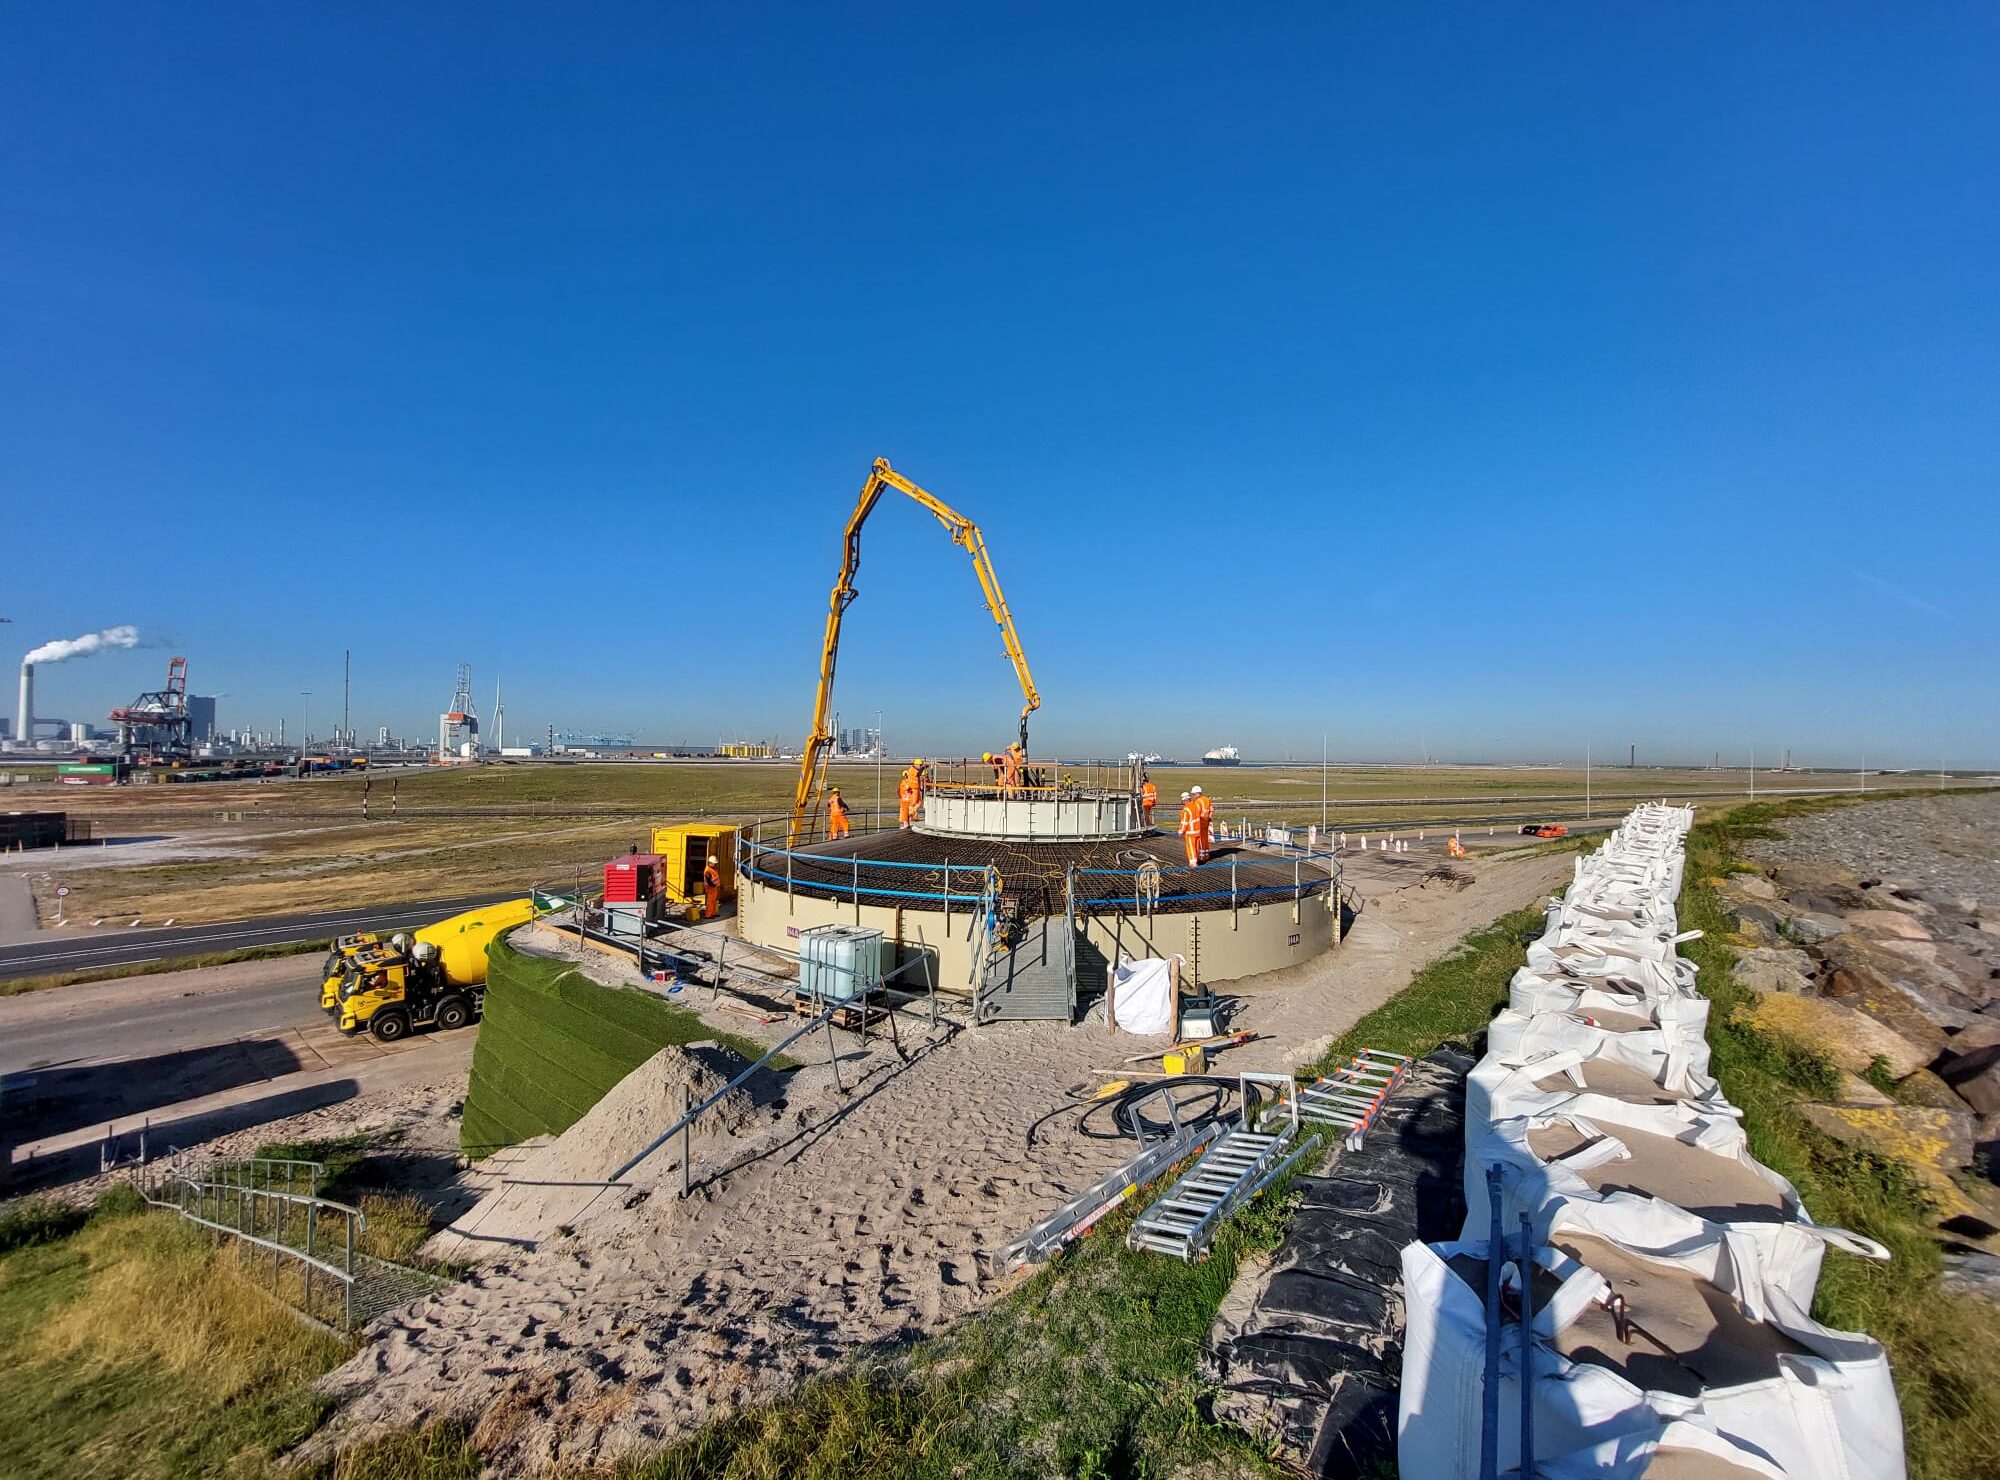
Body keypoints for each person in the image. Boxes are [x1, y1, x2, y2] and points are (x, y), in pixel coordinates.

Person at [1190, 783, 1213, 862]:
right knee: (1204, 839)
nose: (1192, 796)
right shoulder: (1206, 799)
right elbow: (1211, 810)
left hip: (1199, 823)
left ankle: (1200, 857)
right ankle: (1206, 855)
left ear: (1198, 793)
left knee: (1198, 840)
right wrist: (1209, 817)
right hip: (1205, 822)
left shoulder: (1197, 802)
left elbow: (1196, 813)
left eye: (1193, 794)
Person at [1178, 790, 1201, 866]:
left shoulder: (1186, 810)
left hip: (1190, 832)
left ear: (1184, 800)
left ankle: (1193, 862)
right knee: (1196, 846)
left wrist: (1181, 831)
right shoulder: (1195, 806)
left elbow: (1184, 822)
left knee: (1191, 847)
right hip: (1198, 830)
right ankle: (1197, 858)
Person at [897, 764, 920, 828]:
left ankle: (908, 823)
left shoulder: (906, 782)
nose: (906, 776)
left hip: (907, 799)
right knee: (905, 812)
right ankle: (906, 824)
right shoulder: (904, 782)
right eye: (905, 775)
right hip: (906, 799)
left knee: (909, 811)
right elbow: (900, 790)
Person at [702, 854, 722, 918]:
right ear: (710, 863)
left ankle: (712, 913)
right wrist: (714, 886)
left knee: (713, 901)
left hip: (714, 889)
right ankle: (708, 915)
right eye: (714, 863)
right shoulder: (708, 871)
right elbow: (708, 881)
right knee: (710, 902)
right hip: (710, 889)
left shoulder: (712, 869)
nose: (715, 865)